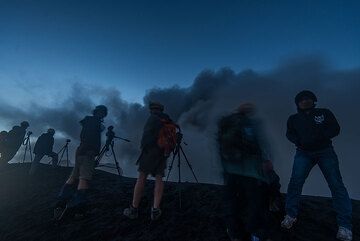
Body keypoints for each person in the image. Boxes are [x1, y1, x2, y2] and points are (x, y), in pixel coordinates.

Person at [281, 90, 352, 241]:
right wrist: (299, 141)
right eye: (301, 99)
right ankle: (291, 215)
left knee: (336, 184)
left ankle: (345, 226)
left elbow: (335, 128)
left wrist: (320, 137)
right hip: (303, 153)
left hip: (325, 151)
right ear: (297, 103)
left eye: (308, 98)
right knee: (295, 182)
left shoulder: (324, 113)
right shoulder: (293, 118)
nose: (305, 101)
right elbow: (289, 133)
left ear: (314, 100)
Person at [218, 103, 273, 241]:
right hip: (250, 171)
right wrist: (266, 160)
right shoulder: (249, 123)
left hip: (230, 170)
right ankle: (254, 233)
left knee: (231, 202)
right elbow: (257, 142)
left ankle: (233, 232)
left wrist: (224, 168)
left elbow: (220, 145)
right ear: (248, 111)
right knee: (254, 202)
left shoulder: (226, 123)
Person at [53, 105, 108, 219]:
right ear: (99, 113)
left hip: (81, 150)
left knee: (73, 177)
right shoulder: (94, 122)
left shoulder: (89, 121)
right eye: (102, 113)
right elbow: (89, 137)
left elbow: (83, 135)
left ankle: (60, 204)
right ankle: (79, 208)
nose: (103, 115)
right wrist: (91, 150)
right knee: (84, 179)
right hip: (88, 152)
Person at [123, 101, 175, 221]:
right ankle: (155, 210)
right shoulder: (168, 120)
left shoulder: (152, 118)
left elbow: (145, 138)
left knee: (142, 177)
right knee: (159, 178)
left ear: (152, 109)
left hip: (150, 152)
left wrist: (144, 148)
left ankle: (134, 209)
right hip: (163, 153)